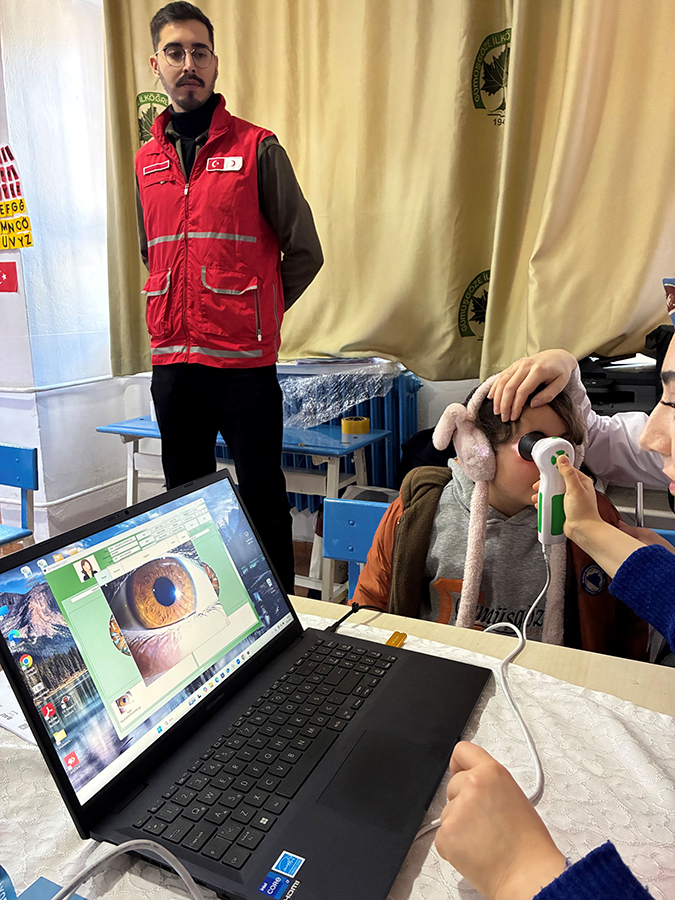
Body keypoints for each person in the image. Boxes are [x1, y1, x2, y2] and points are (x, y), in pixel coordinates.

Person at [135, 2, 323, 594]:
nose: (188, 63)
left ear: (215, 64)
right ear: (156, 65)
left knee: (264, 499)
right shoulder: (145, 162)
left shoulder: (259, 148)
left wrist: (255, 313)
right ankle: (202, 616)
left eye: (199, 51)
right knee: (184, 505)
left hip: (244, 367)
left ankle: (281, 619)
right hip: (174, 365)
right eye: (175, 52)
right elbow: (154, 252)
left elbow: (305, 251)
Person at [352, 379, 649, 658]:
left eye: (565, 446)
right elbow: (371, 601)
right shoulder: (420, 508)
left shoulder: (593, 518)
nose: (559, 463)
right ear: (479, 452)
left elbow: (626, 632)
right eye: (535, 447)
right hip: (440, 670)